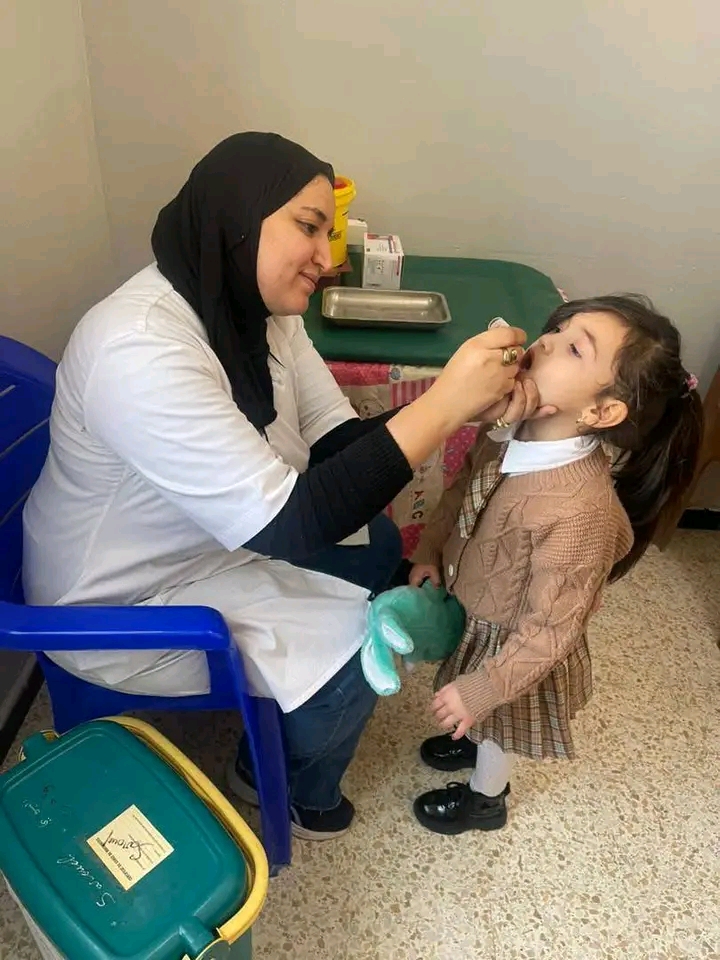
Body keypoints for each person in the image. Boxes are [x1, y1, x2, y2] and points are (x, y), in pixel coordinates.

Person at [22, 132, 535, 841]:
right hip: (118, 601)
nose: (327, 257)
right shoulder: (139, 349)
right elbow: (291, 524)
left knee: (376, 543)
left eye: (328, 231)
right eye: (308, 227)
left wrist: (457, 407)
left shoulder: (256, 312)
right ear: (237, 219)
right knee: (355, 647)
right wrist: (443, 405)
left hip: (202, 539)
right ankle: (289, 787)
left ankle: (290, 720)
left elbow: (336, 445)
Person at [408, 295, 703, 835]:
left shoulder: (579, 514)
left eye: (574, 349)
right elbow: (460, 491)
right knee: (476, 713)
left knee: (499, 727)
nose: (545, 342)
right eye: (559, 328)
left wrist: (483, 690)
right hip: (477, 611)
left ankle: (486, 799)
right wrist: (430, 550)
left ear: (600, 413)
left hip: (517, 646)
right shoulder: (507, 431)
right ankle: (471, 736)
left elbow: (549, 630)